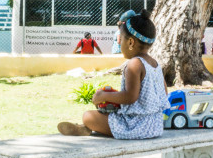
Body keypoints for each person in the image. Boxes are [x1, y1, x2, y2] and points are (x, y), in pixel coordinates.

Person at [57, 10, 169, 139]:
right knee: (105, 114)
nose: (119, 43)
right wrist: (117, 98)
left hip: (136, 126)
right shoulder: (155, 64)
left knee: (88, 116)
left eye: (121, 39)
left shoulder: (134, 64)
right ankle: (84, 128)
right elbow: (164, 93)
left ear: (131, 42)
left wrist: (103, 95)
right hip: (155, 125)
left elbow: (130, 97)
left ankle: (86, 126)